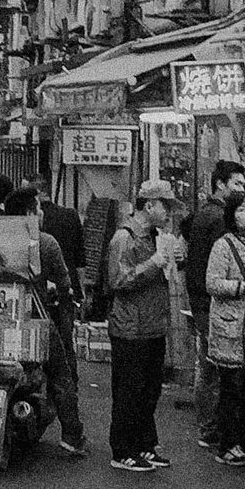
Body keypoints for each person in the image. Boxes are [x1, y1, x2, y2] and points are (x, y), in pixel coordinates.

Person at [94, 181, 177, 472]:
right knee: (129, 390)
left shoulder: (156, 237)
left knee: (150, 390)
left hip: (154, 325)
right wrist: (153, 264)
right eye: (166, 205)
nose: (170, 212)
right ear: (149, 205)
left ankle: (145, 443)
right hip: (130, 327)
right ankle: (122, 449)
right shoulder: (124, 237)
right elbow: (117, 280)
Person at [4, 186, 86, 456]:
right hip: (34, 321)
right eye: (38, 208)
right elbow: (64, 284)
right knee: (62, 374)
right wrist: (66, 299)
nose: (41, 213)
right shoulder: (46, 242)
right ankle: (72, 436)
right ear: (29, 212)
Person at [183, 161, 245, 451]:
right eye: (237, 184)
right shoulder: (217, 218)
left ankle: (211, 426)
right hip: (211, 304)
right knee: (214, 367)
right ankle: (212, 428)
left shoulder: (206, 213)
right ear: (220, 185)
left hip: (202, 301)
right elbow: (214, 272)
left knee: (209, 364)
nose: (242, 191)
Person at [201, 192, 245, 467]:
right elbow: (212, 283)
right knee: (231, 387)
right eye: (242, 209)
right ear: (231, 216)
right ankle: (227, 444)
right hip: (231, 325)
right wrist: (243, 287)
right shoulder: (223, 246)